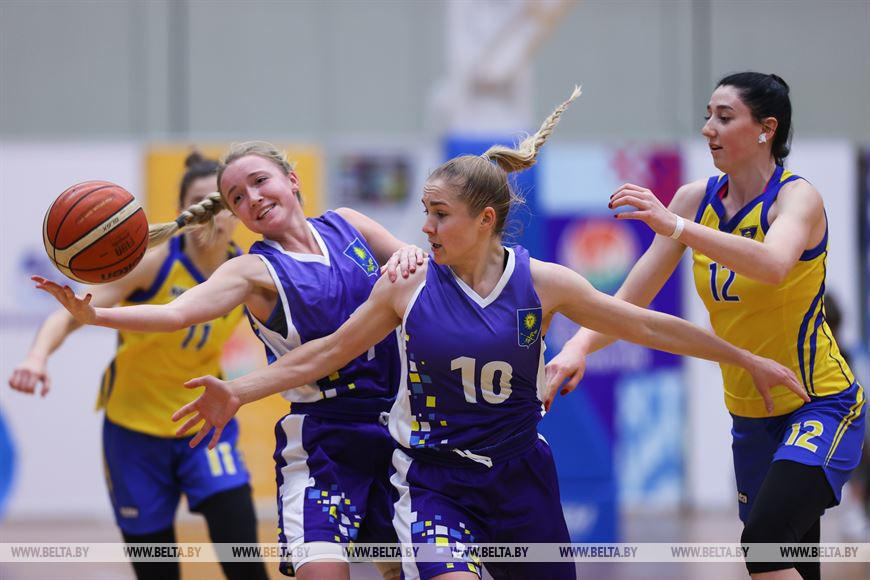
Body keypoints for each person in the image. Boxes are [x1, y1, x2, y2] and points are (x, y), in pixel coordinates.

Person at [170, 87, 806, 580]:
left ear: (484, 219)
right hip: (434, 481)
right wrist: (240, 391)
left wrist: (741, 357)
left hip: (519, 475)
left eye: (438, 215)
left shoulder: (544, 282)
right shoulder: (408, 286)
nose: (424, 228)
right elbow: (328, 353)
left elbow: (643, 322)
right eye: (424, 214)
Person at [32, 141, 424, 580]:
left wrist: (410, 253)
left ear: (292, 180)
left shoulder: (348, 223)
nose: (252, 197)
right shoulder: (250, 271)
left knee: (402, 569)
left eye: (260, 181)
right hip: (325, 440)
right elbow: (175, 313)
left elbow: (420, 273)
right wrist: (96, 316)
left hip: (399, 429)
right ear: (235, 214)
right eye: (238, 197)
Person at [547, 73, 866, 580]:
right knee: (788, 561)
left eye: (724, 117)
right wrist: (580, 347)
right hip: (750, 413)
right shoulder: (695, 200)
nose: (707, 128)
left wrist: (676, 226)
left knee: (764, 544)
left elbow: (772, 264)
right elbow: (632, 297)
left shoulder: (797, 198)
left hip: (820, 402)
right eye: (707, 116)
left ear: (766, 129)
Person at [9, 152, 268, 580]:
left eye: (219, 202)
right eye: (199, 202)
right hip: (134, 431)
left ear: (235, 212)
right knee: (157, 572)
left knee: (244, 561)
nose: (210, 214)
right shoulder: (152, 263)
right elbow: (72, 313)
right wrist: (37, 357)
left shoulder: (248, 272)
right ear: (184, 210)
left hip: (203, 424)